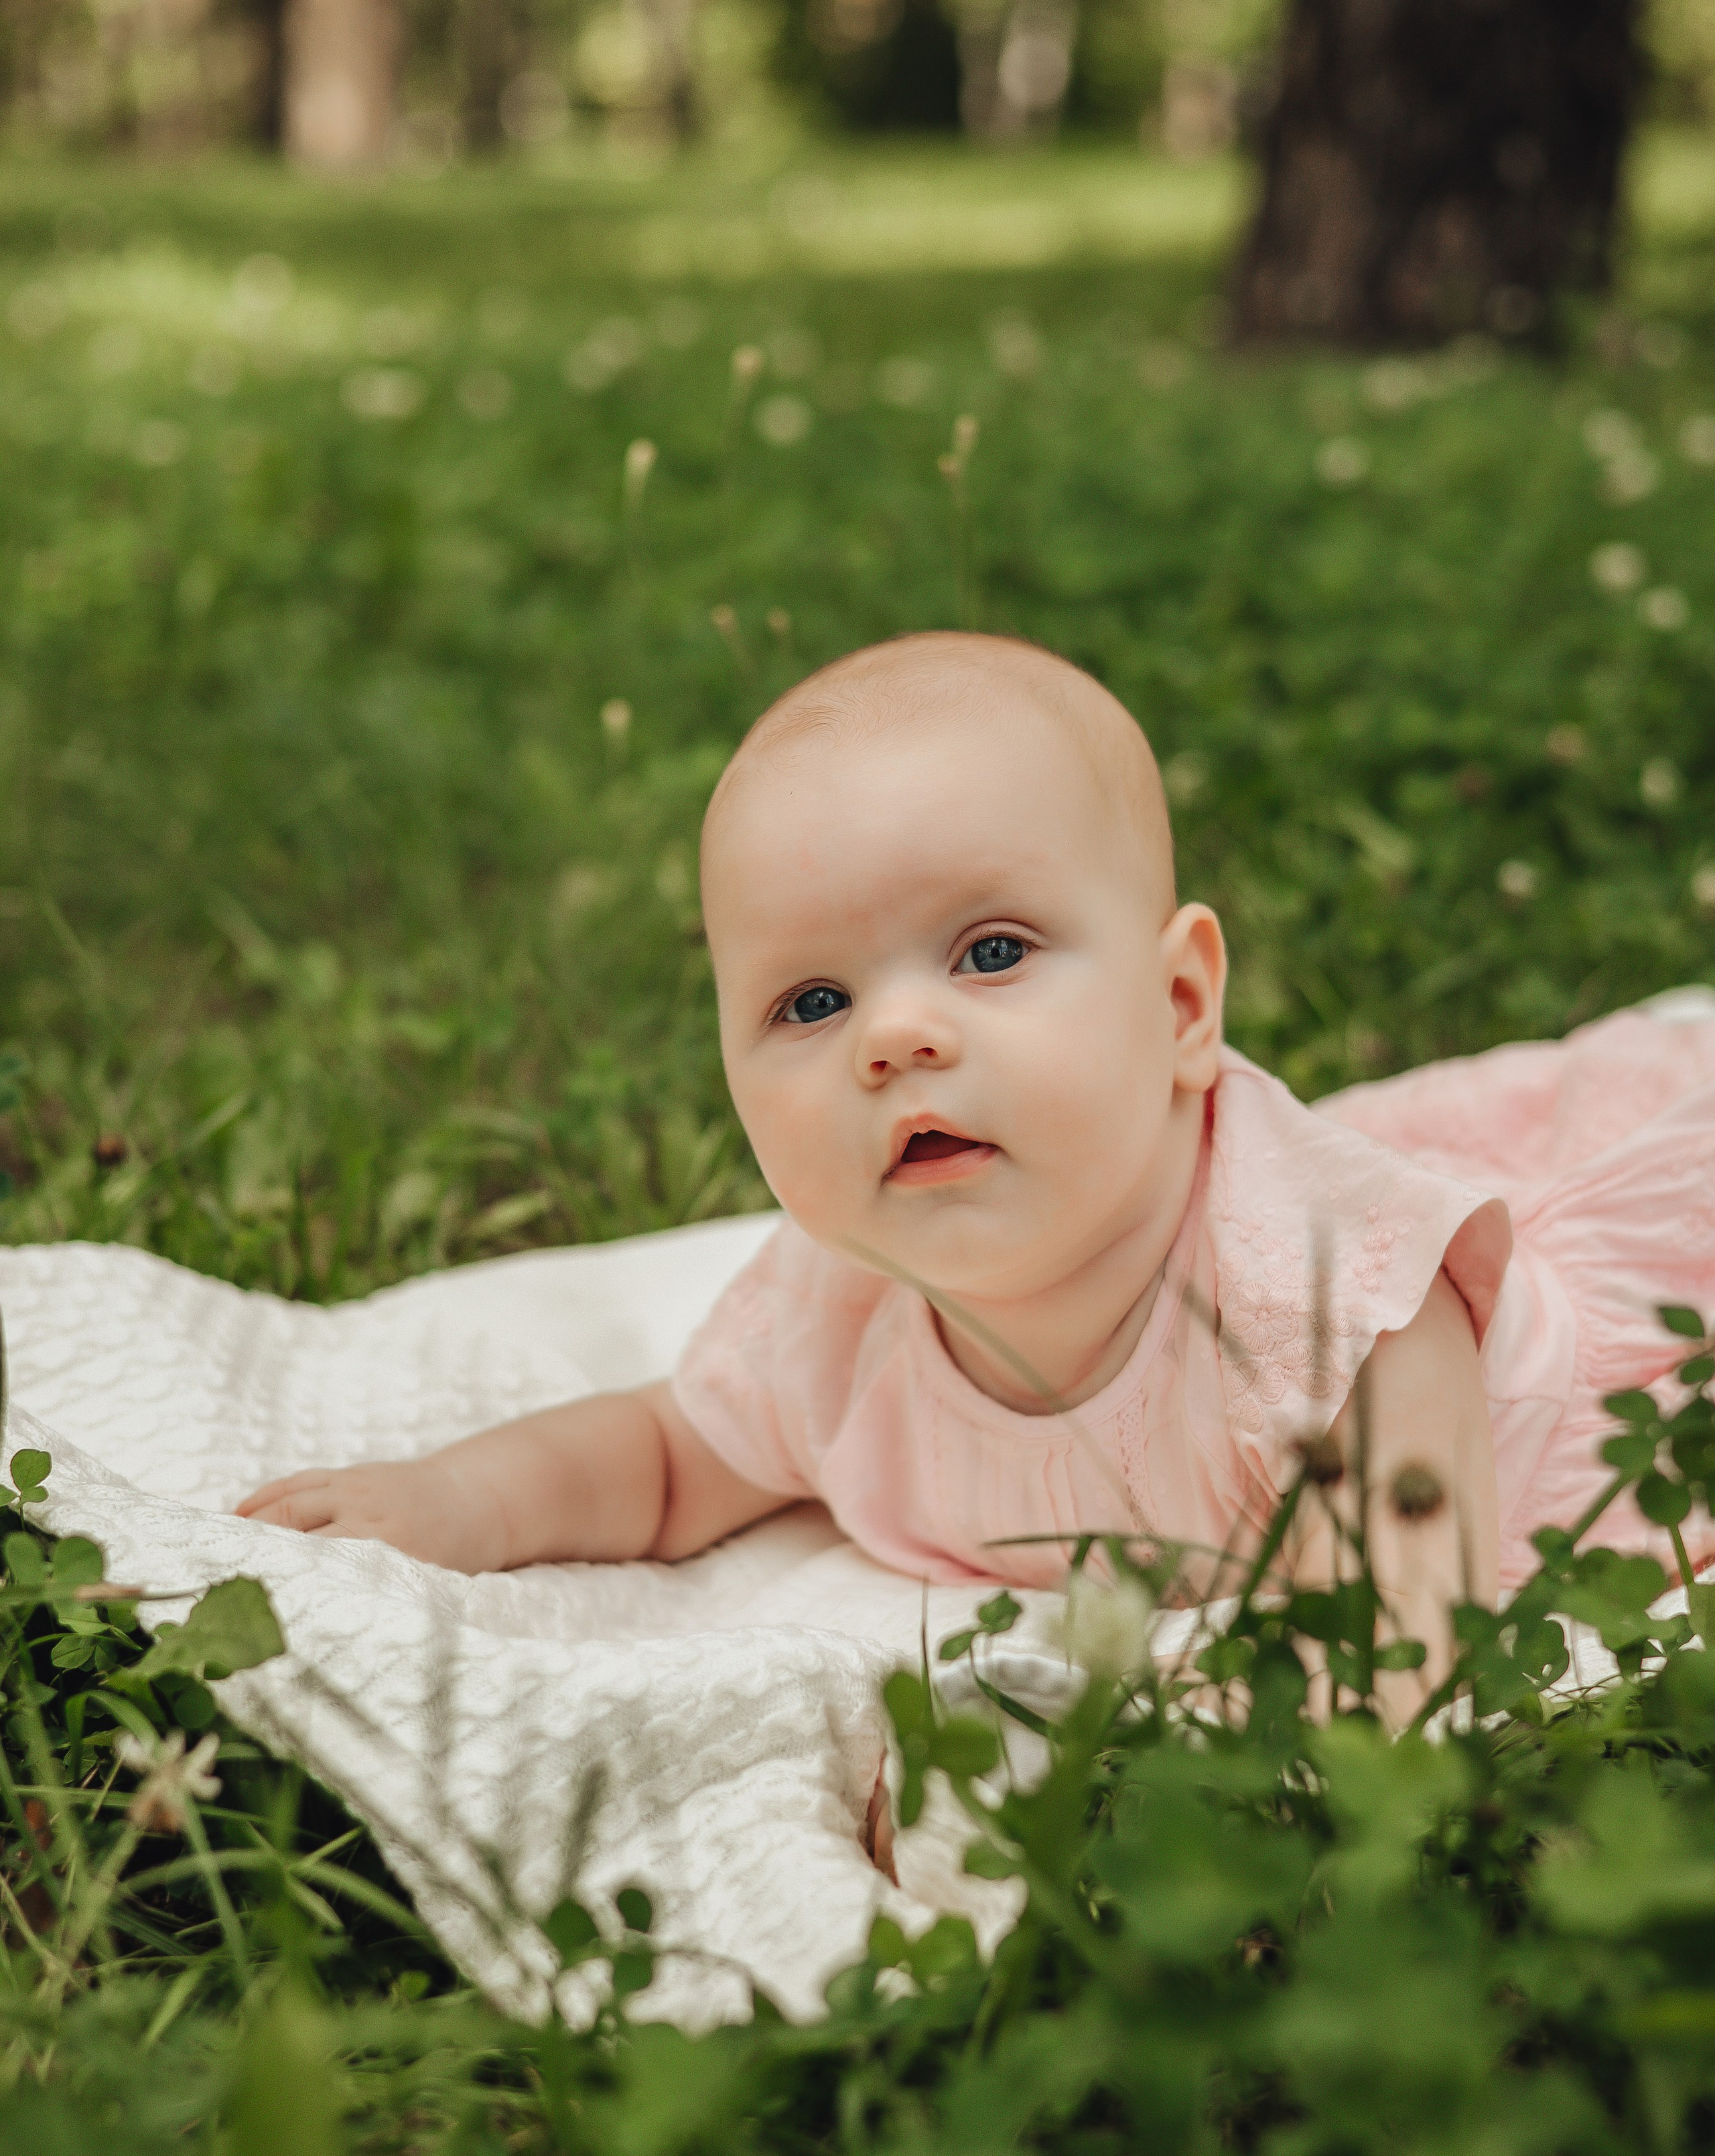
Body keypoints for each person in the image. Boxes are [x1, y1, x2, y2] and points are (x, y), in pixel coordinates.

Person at [238, 632, 1715, 1735]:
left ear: (1182, 1008)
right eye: (808, 1005)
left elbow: (1403, 1650)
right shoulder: (837, 1312)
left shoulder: (1328, 1299)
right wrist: (452, 1505)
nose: (894, 1036)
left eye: (990, 953)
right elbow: (674, 1462)